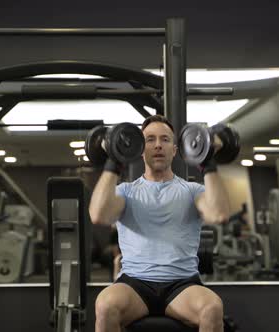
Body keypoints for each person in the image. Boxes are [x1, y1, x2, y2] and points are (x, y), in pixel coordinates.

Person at [89, 115, 231, 332]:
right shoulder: (126, 192)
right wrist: (114, 160)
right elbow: (98, 215)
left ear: (174, 150)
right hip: (135, 283)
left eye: (165, 139)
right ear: (139, 149)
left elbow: (219, 214)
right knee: (105, 306)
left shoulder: (193, 191)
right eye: (150, 139)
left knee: (212, 308)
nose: (157, 145)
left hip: (182, 284)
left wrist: (207, 159)